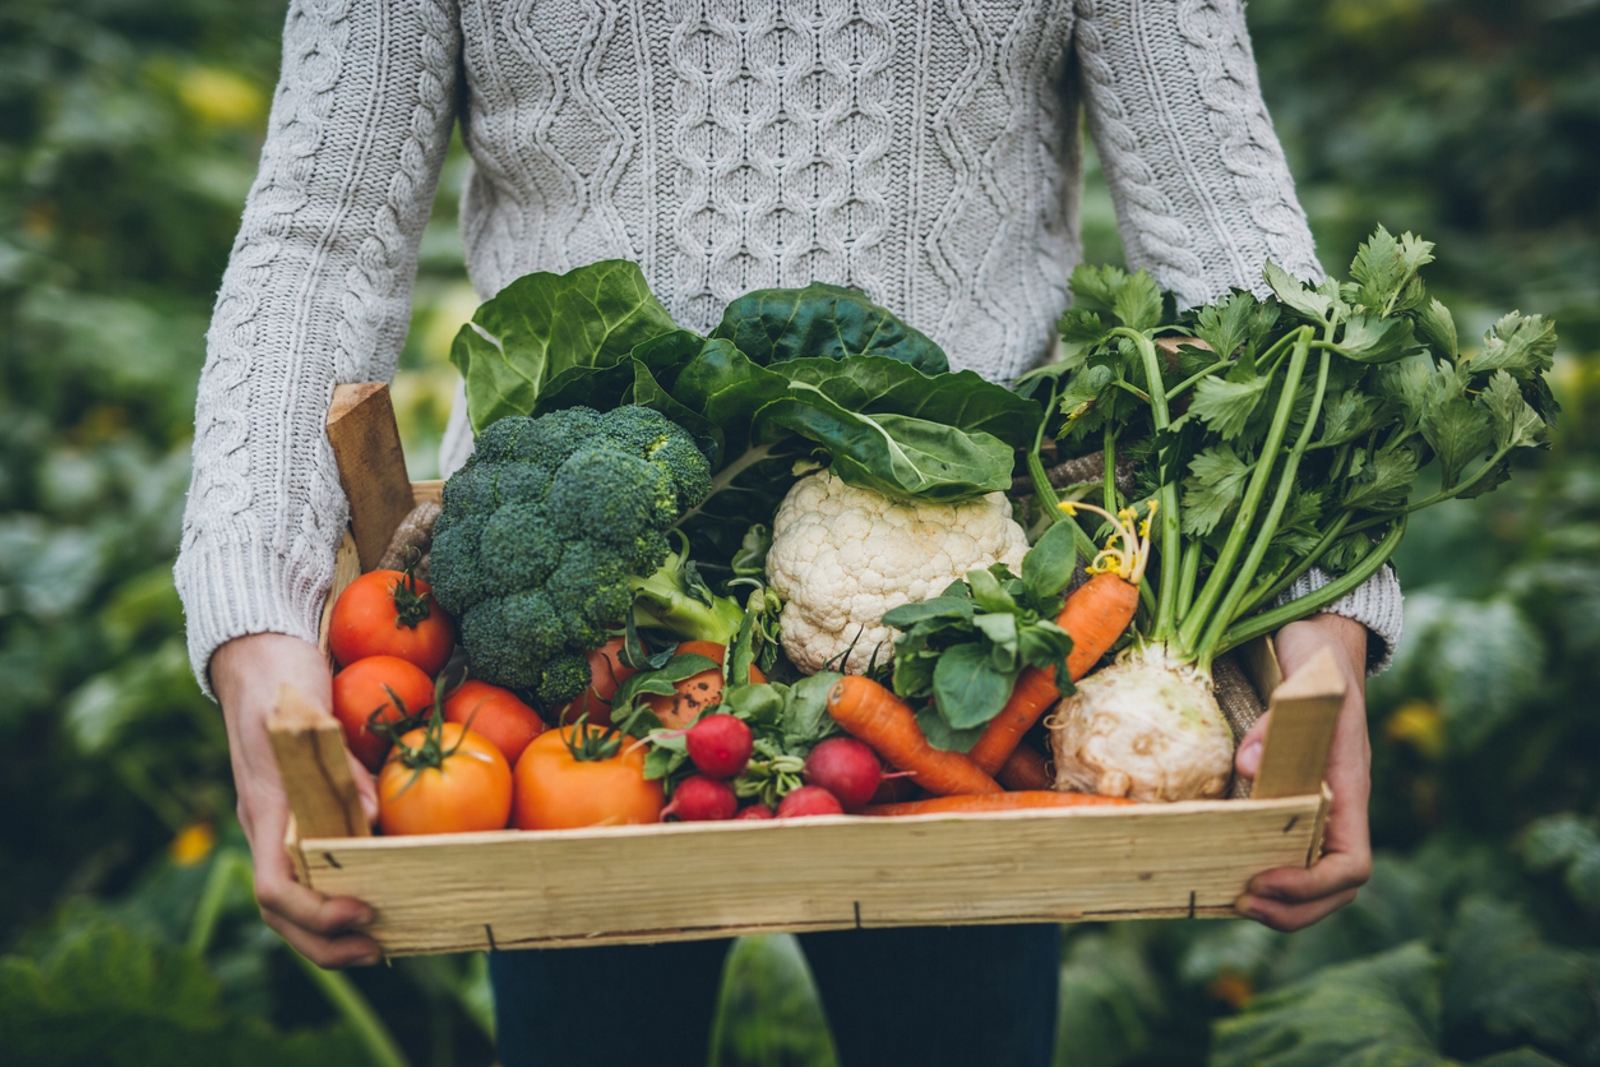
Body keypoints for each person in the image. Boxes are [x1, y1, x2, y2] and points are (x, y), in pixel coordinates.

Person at [179, 2, 1401, 1063]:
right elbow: (316, 239)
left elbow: (1219, 213)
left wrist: (1321, 614)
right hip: (572, 656)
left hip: (971, 656)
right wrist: (255, 617)